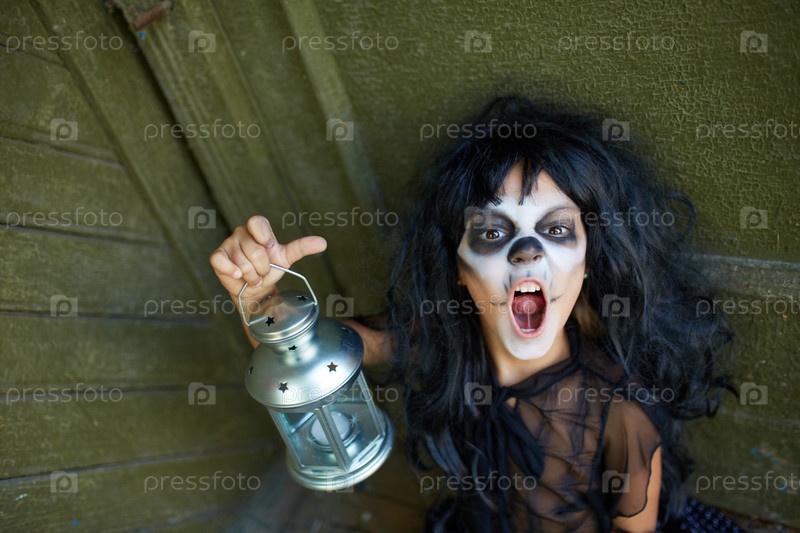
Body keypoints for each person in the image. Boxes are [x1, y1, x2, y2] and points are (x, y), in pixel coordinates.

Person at [210, 97, 738, 532]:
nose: (526, 253)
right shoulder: (437, 337)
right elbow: (301, 361)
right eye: (492, 232)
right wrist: (260, 301)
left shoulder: (622, 405)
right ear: (459, 269)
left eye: (556, 229)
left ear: (588, 261)